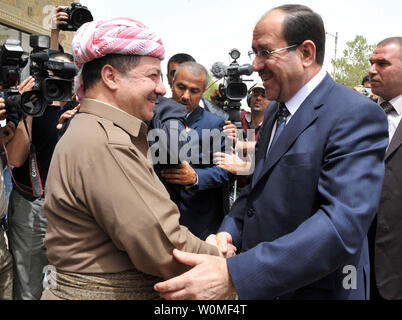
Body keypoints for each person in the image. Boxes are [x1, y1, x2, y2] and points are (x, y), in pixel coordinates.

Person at [154, 4, 389, 300]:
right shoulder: (277, 109)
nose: (255, 65)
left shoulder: (355, 115)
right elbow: (255, 190)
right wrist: (228, 233)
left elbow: (340, 227)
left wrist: (237, 274)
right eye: (255, 53)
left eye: (265, 52)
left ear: (306, 53)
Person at [41, 18, 233, 301]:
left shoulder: (97, 128)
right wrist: (220, 257)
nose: (162, 89)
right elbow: (163, 245)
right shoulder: (107, 141)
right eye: (152, 76)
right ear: (111, 76)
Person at [5, 53, 78, 300]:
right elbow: (15, 160)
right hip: (31, 206)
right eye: (52, 75)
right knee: (28, 288)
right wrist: (28, 109)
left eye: (65, 76)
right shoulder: (34, 105)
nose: (57, 82)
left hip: (68, 212)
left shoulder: (80, 109)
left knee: (59, 284)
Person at [161, 61, 234, 240]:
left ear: (203, 92)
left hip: (199, 225)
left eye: (194, 91)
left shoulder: (215, 124)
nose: (185, 96)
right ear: (172, 83)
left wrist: (196, 178)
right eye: (181, 87)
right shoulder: (152, 116)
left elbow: (227, 172)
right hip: (159, 220)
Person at [368, 37, 402, 300]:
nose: (372, 70)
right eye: (371, 63)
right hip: (355, 261)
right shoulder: (359, 116)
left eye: (382, 63)